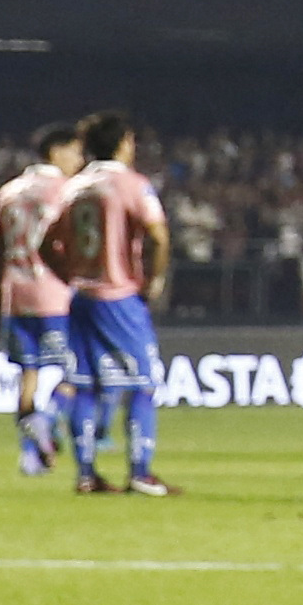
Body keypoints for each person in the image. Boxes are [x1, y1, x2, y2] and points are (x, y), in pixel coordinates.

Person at [43, 111, 174, 497]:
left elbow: (45, 243)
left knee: (83, 385)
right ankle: (140, 473)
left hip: (81, 298)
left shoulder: (74, 186)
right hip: (119, 298)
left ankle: (86, 475)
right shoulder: (132, 184)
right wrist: (155, 279)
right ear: (121, 144)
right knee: (143, 384)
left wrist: (70, 275)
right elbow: (158, 234)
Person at [0, 120, 84, 477]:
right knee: (79, 372)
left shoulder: (8, 192)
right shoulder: (68, 190)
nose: (79, 159)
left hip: (16, 294)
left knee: (27, 377)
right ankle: (48, 419)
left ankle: (31, 456)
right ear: (56, 152)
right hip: (56, 295)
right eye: (75, 151)